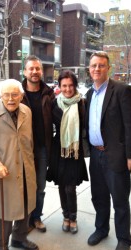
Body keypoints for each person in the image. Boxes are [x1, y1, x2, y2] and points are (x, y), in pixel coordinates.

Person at [86, 51, 131, 250]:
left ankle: (124, 239)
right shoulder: (90, 94)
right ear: (89, 69)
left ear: (108, 68)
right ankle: (101, 229)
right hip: (96, 155)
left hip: (116, 156)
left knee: (119, 200)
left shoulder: (121, 90)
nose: (97, 69)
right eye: (93, 66)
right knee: (98, 196)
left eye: (101, 65)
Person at [0, 79, 39, 250]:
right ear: (1, 95)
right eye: (6, 94)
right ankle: (1, 246)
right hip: (4, 170)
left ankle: (19, 238)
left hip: (26, 166)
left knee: (26, 205)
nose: (11, 98)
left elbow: (29, 140)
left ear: (21, 96)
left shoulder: (26, 111)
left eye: (15, 94)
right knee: (5, 211)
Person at [47, 70, 88, 234]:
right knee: (62, 186)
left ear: (75, 86)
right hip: (59, 149)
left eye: (71, 85)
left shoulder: (82, 103)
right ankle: (65, 216)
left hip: (74, 150)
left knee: (70, 187)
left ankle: (73, 217)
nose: (68, 89)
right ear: (59, 86)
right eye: (64, 85)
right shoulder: (54, 104)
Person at [22, 55, 55, 233]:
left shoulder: (49, 94)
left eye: (37, 68)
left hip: (42, 148)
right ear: (25, 71)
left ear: (41, 71)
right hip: (22, 150)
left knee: (40, 187)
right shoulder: (17, 94)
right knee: (24, 187)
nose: (35, 72)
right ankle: (24, 220)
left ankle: (36, 217)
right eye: (31, 68)